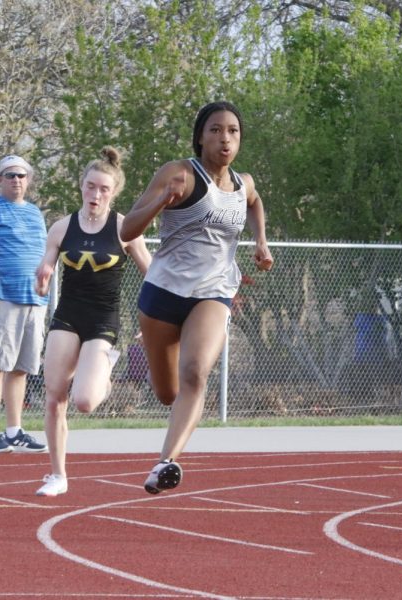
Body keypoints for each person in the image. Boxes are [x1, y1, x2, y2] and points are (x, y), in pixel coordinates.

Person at [121, 101, 274, 494]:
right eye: (216, 130)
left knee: (195, 373)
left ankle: (165, 462)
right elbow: (128, 231)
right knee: (167, 390)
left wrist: (260, 241)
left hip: (215, 291)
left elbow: (254, 204)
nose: (225, 138)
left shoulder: (244, 184)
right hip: (163, 293)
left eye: (233, 131)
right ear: (201, 136)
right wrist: (161, 201)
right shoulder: (179, 174)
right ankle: (167, 428)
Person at [33, 147, 152, 497]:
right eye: (90, 187)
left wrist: (154, 318)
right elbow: (46, 267)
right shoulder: (61, 227)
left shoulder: (124, 228)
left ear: (113, 192)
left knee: (85, 401)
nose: (95, 195)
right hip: (67, 315)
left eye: (103, 189)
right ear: (81, 187)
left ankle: (102, 373)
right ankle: (58, 475)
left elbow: (153, 274)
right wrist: (42, 275)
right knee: (54, 396)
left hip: (103, 318)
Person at [0, 155, 49, 454]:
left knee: (21, 368)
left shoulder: (35, 214)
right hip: (2, 298)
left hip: (34, 300)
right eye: (10, 175)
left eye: (21, 175)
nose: (17, 180)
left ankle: (14, 430)